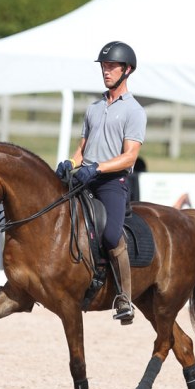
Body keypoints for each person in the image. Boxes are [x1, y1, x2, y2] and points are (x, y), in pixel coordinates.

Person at [56, 41, 147, 325]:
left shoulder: (134, 111)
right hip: (85, 175)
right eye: (104, 67)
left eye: (111, 67)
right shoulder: (94, 108)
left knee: (110, 235)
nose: (106, 72)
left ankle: (124, 297)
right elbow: (82, 149)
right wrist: (71, 163)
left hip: (111, 181)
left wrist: (97, 168)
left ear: (127, 70)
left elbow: (129, 156)